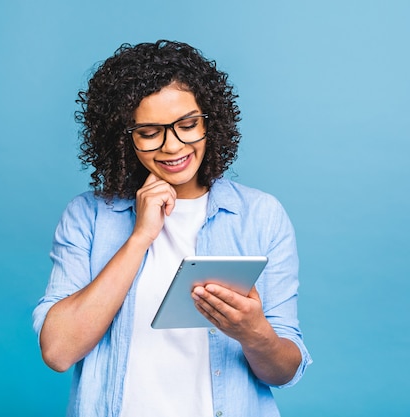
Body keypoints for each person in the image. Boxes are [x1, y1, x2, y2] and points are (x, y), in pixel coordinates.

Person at [32, 40, 311, 417]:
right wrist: (140, 236)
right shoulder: (88, 216)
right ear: (123, 137)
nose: (173, 146)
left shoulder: (259, 215)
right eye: (149, 132)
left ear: (210, 120)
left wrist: (253, 332)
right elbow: (59, 351)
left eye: (188, 125)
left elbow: (284, 371)